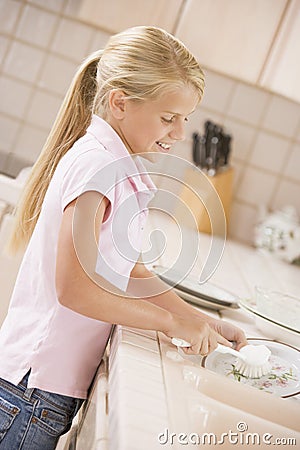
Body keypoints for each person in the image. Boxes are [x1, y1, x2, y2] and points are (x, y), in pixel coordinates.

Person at [0, 26, 247, 449]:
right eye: (168, 118)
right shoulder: (98, 165)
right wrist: (172, 323)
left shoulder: (119, 164)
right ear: (119, 103)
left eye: (184, 119)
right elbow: (73, 289)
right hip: (31, 390)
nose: (179, 133)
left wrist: (198, 318)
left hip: (42, 392)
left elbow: (128, 266)